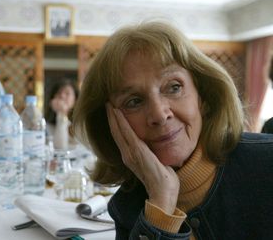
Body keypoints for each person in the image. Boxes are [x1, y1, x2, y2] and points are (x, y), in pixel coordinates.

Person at [72, 21, 273, 239]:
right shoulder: (126, 208)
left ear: (203, 97)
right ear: (112, 125)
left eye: (174, 87)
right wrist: (161, 204)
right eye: (134, 101)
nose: (159, 114)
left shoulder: (267, 164)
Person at [45, 79, 79, 149]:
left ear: (75, 100)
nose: (62, 96)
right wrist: (61, 114)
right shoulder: (46, 126)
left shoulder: (81, 123)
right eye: (58, 93)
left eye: (67, 93)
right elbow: (60, 148)